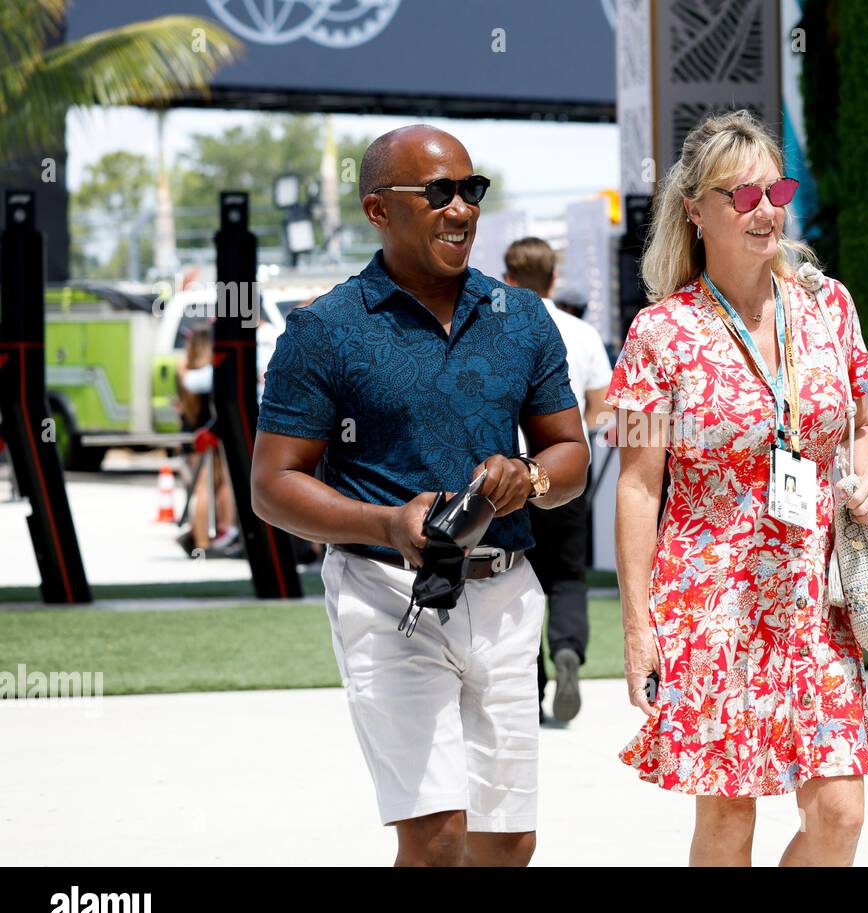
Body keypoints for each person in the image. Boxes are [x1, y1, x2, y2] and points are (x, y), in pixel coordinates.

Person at [250, 124, 588, 867]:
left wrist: (526, 478)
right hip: (384, 597)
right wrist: (387, 523)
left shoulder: (522, 319)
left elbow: (572, 457)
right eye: (438, 193)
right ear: (379, 209)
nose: (461, 209)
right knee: (436, 841)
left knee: (508, 843)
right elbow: (272, 485)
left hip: (505, 596)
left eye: (471, 190)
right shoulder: (323, 329)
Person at [606, 109, 868, 866]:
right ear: (696, 211)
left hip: (814, 598)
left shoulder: (830, 308)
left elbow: (861, 428)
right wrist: (638, 626)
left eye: (776, 189)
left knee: (841, 811)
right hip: (709, 601)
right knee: (730, 817)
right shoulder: (659, 335)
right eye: (740, 196)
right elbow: (637, 488)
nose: (765, 210)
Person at [504, 237, 613, 724]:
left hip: (507, 475)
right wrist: (579, 434)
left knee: (510, 577)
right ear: (552, 279)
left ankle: (530, 683)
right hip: (564, 472)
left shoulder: (498, 328)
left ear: (508, 279)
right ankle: (568, 648)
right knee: (567, 576)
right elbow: (603, 405)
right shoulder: (581, 332)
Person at [175, 325, 239, 557]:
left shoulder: (186, 370)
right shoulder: (204, 374)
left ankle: (206, 537)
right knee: (208, 487)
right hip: (206, 435)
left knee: (207, 487)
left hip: (193, 433)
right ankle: (204, 540)